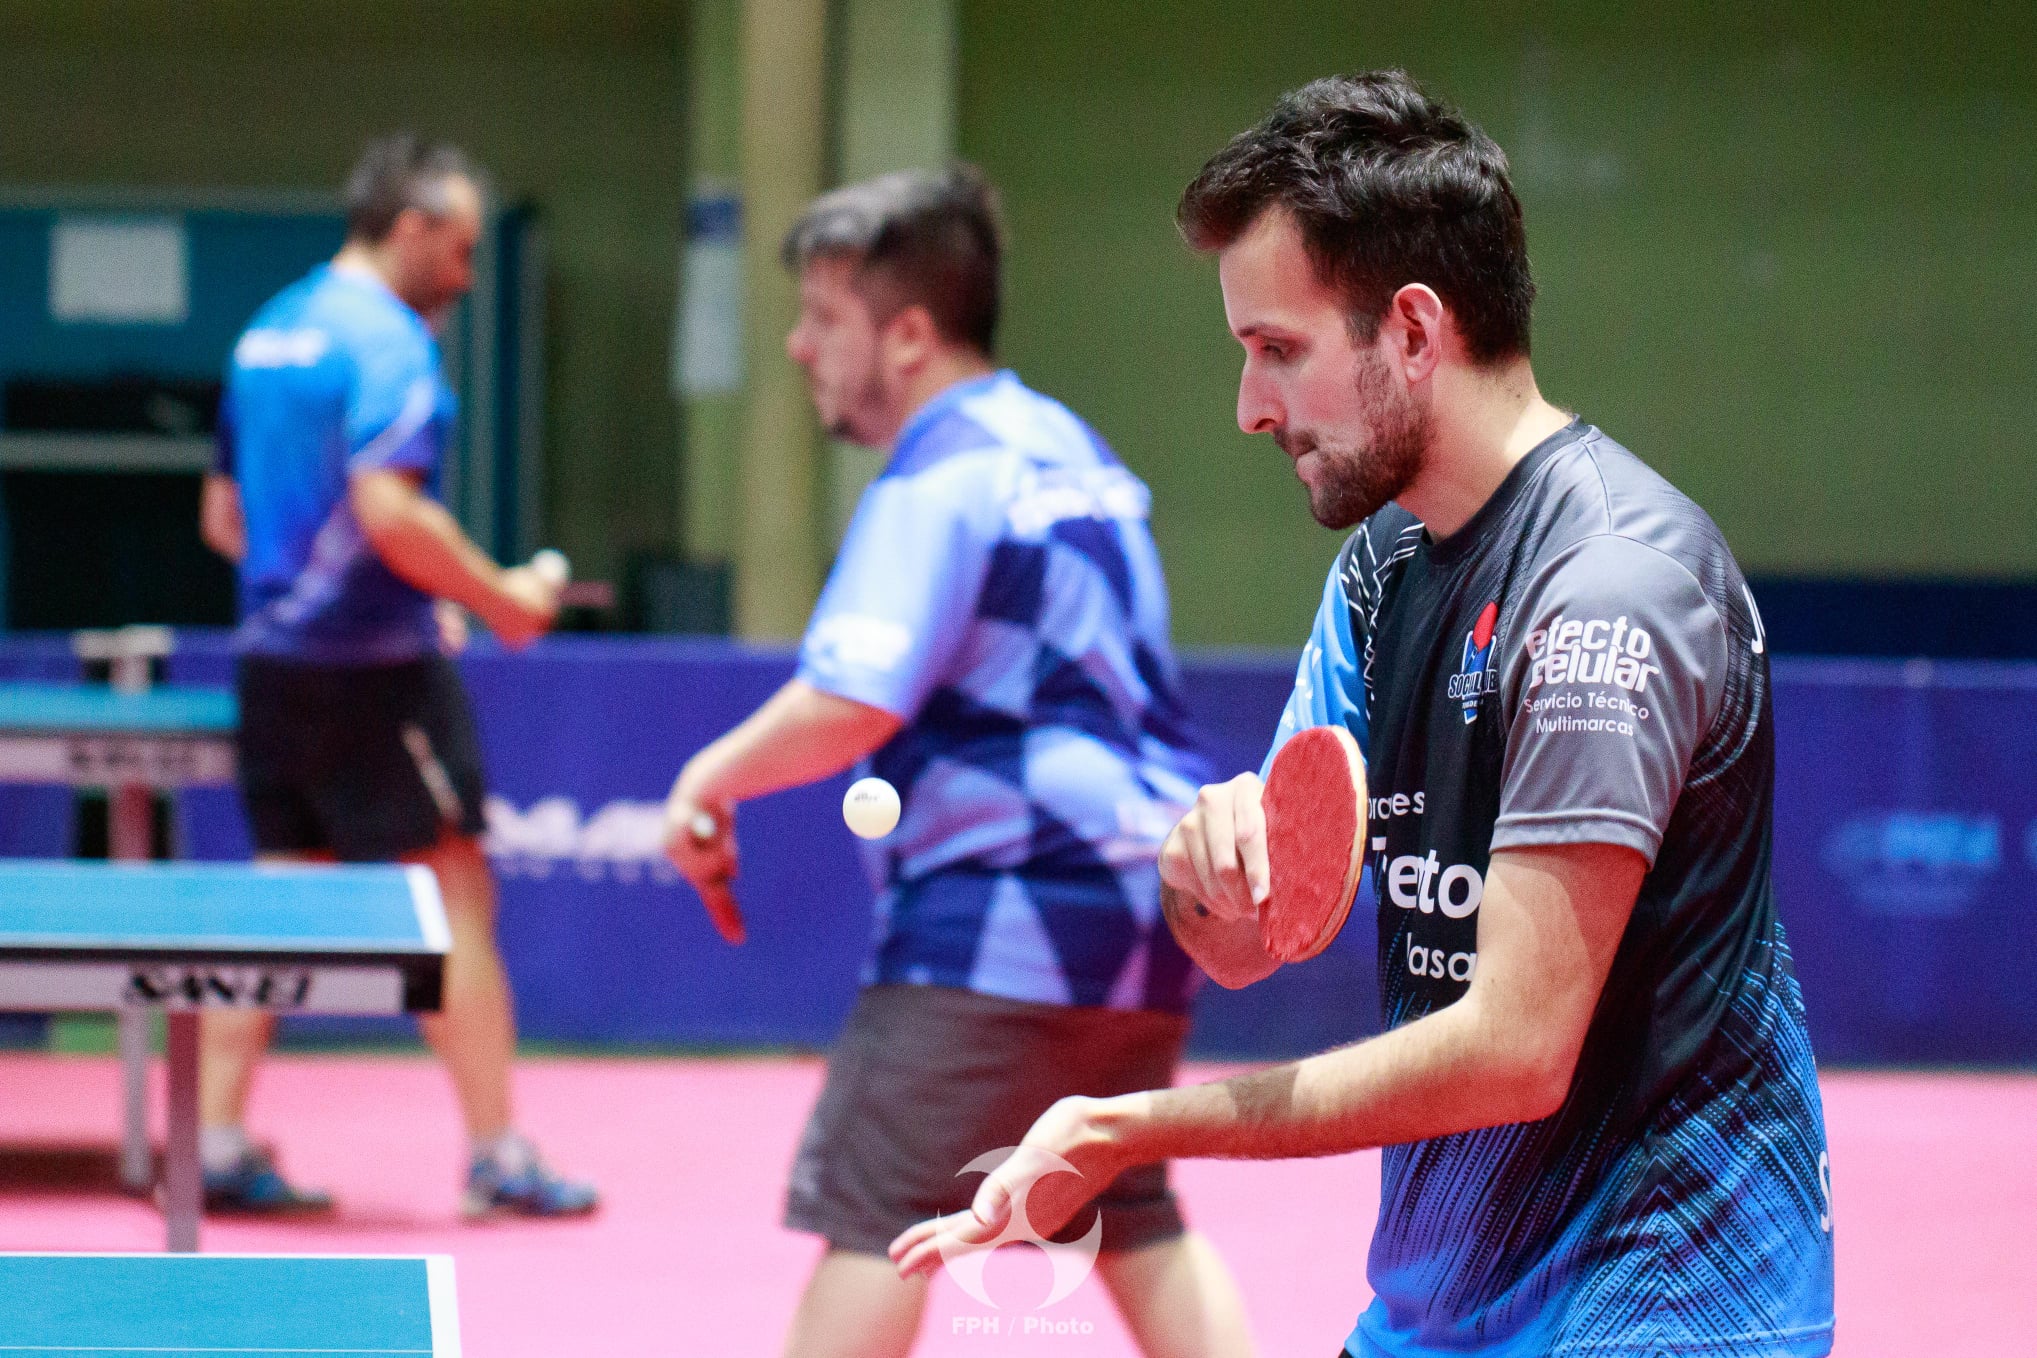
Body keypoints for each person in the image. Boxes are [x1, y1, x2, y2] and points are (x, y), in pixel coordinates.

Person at [892, 73, 1836, 1358]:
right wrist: (1200, 875)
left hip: (1665, 1300)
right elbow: (1250, 938)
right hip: (1440, 1305)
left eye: (1277, 350)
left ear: (1411, 328)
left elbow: (1516, 1047)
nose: (1250, 409)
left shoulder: (1612, 589)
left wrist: (1130, 1125)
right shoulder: (1384, 573)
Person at [661, 166, 1254, 1358]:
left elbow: (849, 697)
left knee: (878, 1209)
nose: (797, 346)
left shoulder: (941, 472)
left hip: (1002, 919)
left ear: (911, 334)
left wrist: (704, 779)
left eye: (826, 319)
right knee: (1128, 1204)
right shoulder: (1073, 447)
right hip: (1147, 908)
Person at [198, 134, 597, 1220]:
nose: (466, 276)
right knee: (454, 896)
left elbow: (224, 517)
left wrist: (334, 597)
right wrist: (496, 598)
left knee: (280, 892)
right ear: (410, 227)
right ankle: (498, 1152)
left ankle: (219, 1140)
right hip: (376, 678)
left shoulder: (269, 328)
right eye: (460, 249)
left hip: (272, 665)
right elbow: (391, 510)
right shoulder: (391, 346)